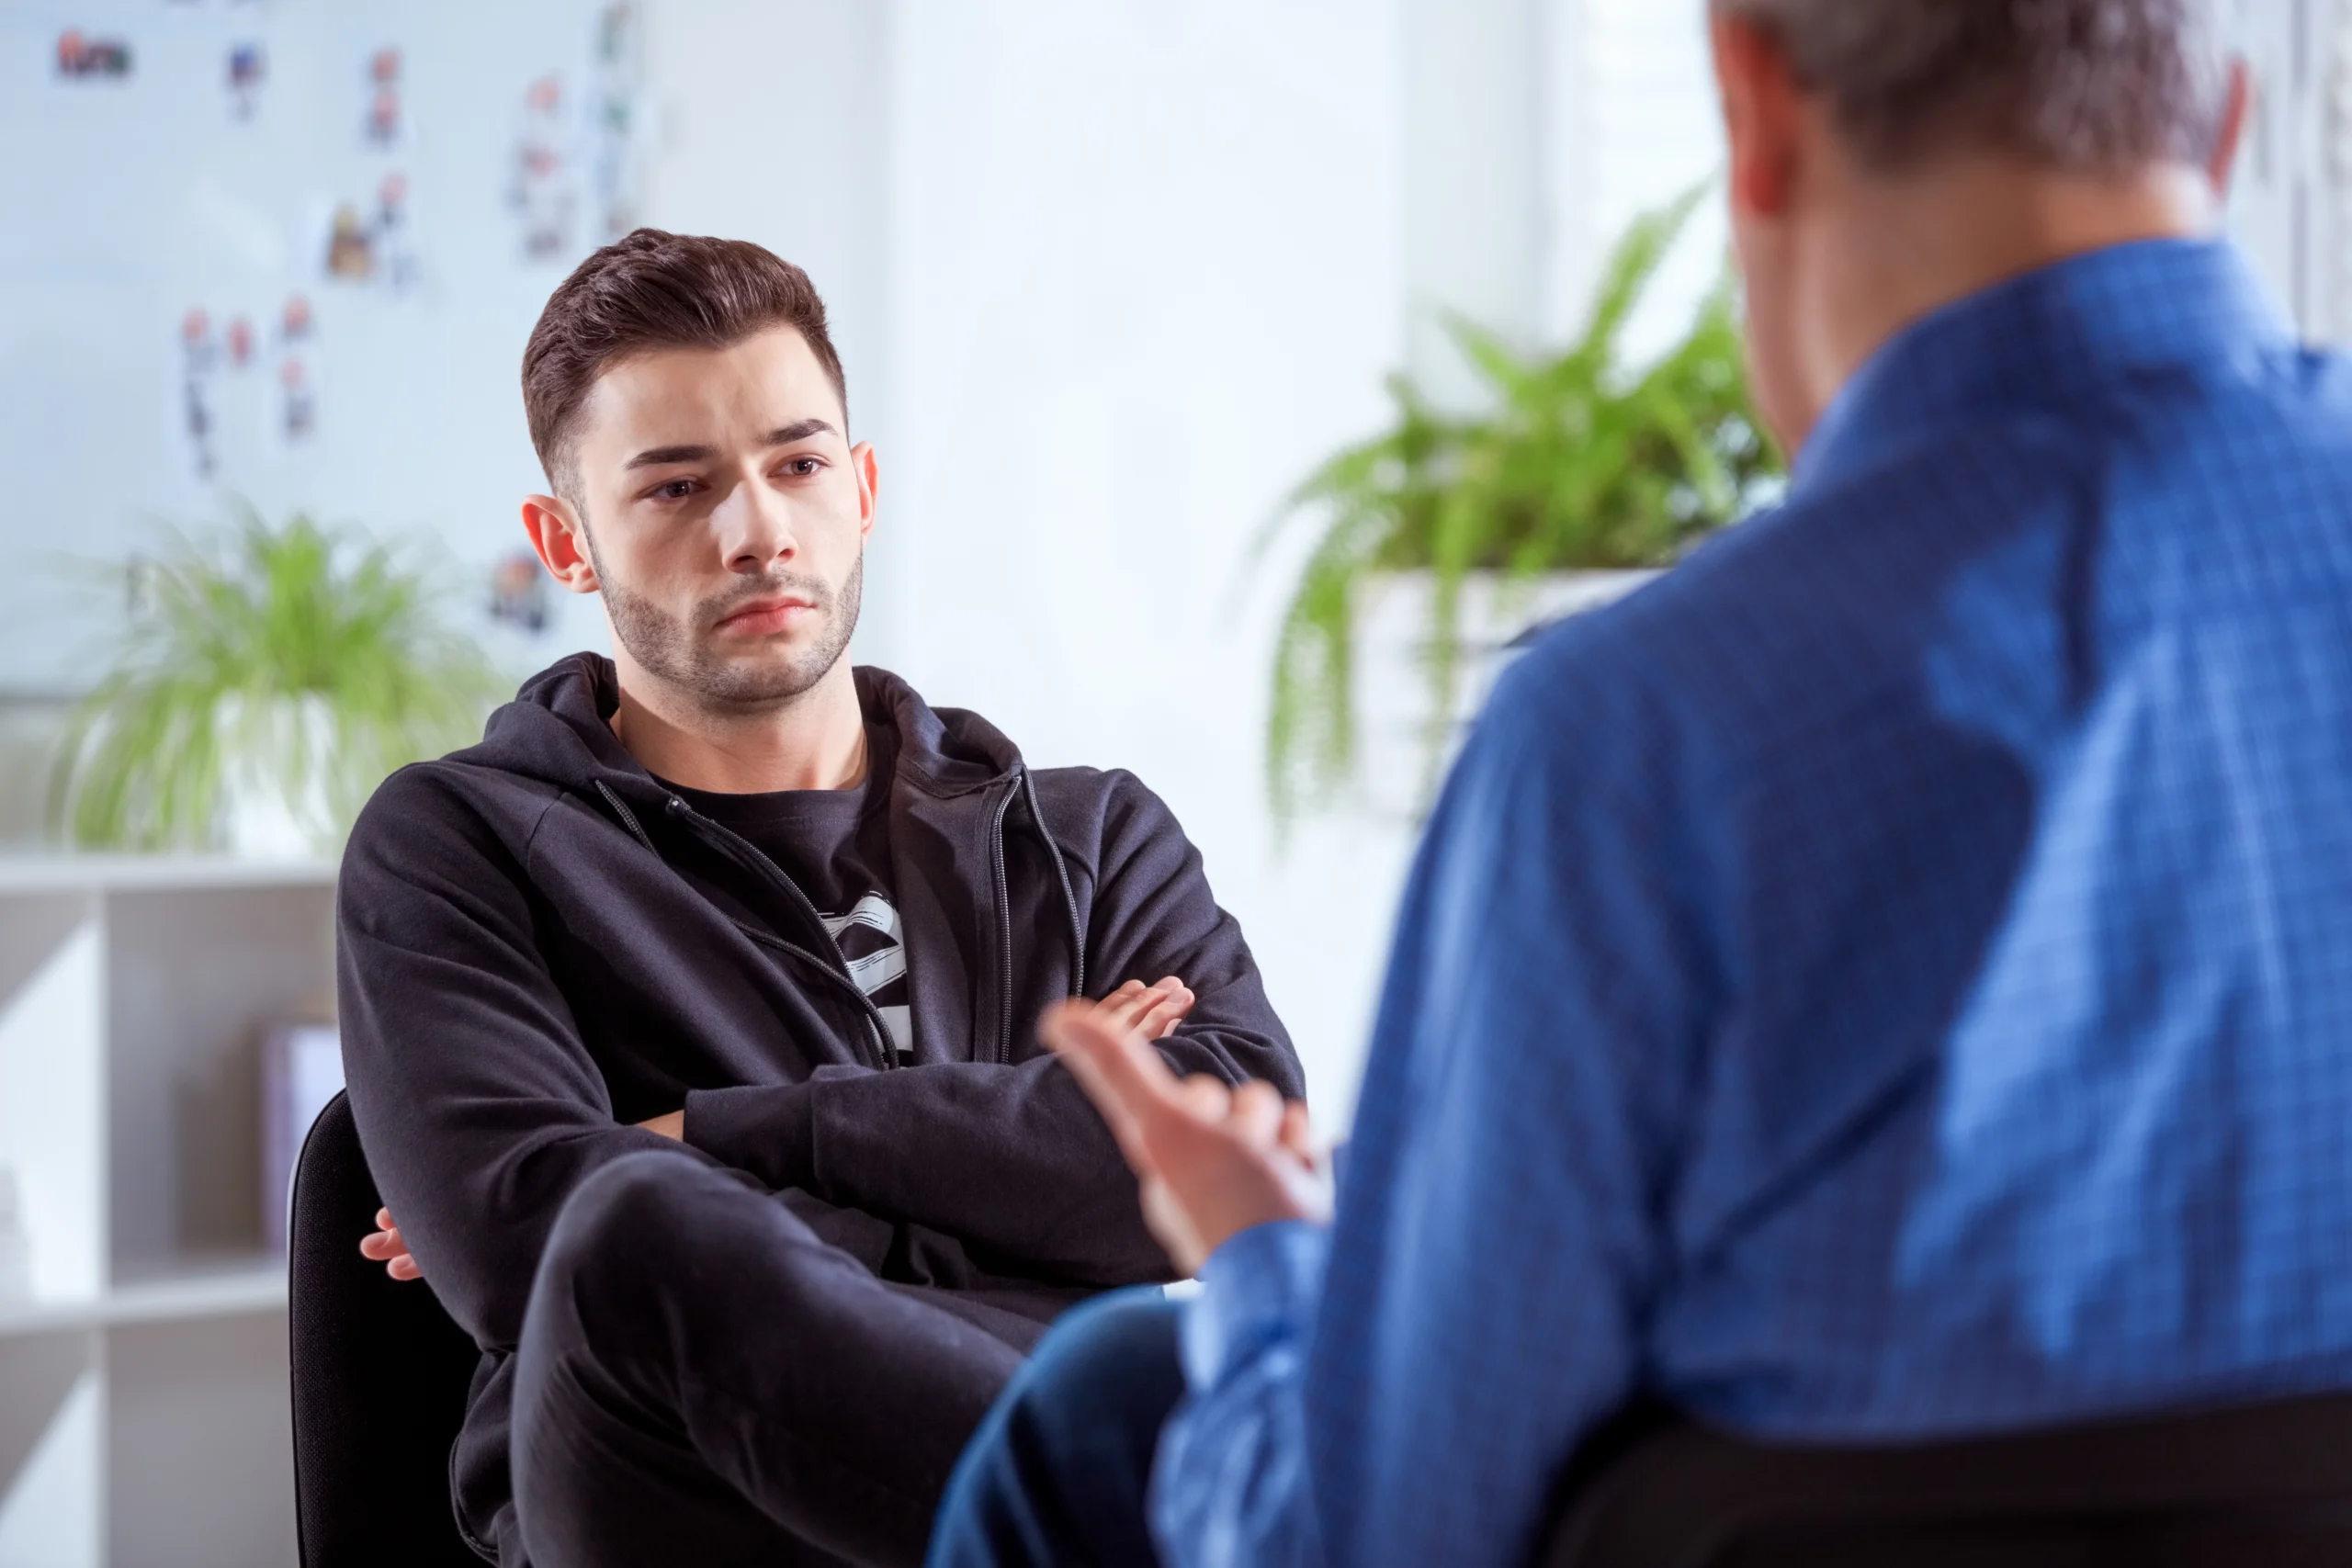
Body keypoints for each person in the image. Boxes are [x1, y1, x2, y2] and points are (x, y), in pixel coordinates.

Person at [923, 3, 2352, 1565]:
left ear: (1755, 108)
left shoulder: (1638, 741)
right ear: (2227, 122)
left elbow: (1370, 1538)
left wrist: (1259, 1256)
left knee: (1112, 1398)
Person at [334, 230, 1304, 1568]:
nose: (756, 532)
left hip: (1069, 1430)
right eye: (676, 489)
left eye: (795, 465)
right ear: (566, 542)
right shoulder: (460, 840)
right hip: (698, 1509)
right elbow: (515, 1241)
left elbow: (1245, 1142)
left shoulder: (1088, 834)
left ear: (860, 486)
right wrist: (1022, 1146)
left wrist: (727, 1131)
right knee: (632, 1233)